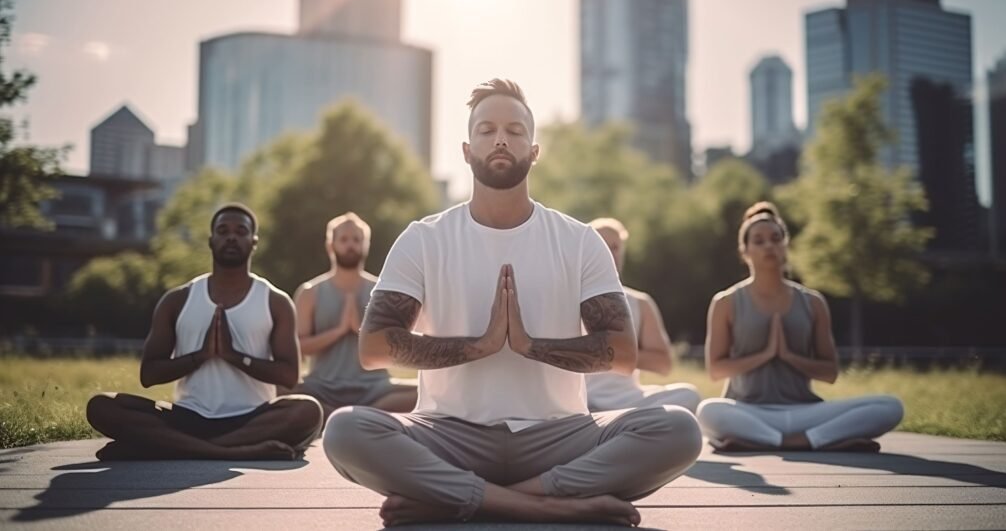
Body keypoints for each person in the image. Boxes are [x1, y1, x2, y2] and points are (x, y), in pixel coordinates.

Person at [322, 78, 702, 527]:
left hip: (558, 435)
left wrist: (530, 346)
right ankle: (545, 505)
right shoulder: (423, 239)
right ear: (467, 150)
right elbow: (374, 349)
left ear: (535, 150)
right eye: (486, 130)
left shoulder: (579, 241)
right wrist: (478, 346)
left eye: (515, 130)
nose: (501, 138)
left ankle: (458, 498)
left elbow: (623, 354)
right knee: (346, 430)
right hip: (449, 434)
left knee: (678, 429)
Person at [85, 204, 323, 461]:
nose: (231, 236)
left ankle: (164, 447)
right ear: (211, 240)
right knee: (102, 405)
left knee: (308, 411)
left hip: (252, 418)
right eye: (223, 230)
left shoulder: (275, 301)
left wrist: (234, 356)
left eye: (240, 231)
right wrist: (200, 356)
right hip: (188, 416)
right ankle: (228, 452)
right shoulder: (177, 299)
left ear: (253, 242)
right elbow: (149, 374)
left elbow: (289, 375)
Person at [696, 201, 904, 453]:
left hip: (805, 411)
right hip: (749, 411)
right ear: (745, 251)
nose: (769, 245)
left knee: (891, 406)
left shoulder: (813, 302)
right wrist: (765, 354)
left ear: (786, 245)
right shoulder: (725, 302)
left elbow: (830, 372)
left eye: (775, 238)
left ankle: (783, 440)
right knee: (707, 411)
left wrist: (789, 356)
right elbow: (716, 369)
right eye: (759, 241)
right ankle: (819, 440)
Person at [288, 212, 416, 415]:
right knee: (276, 390)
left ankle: (341, 415)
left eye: (357, 240)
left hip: (375, 388)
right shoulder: (310, 292)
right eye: (344, 239)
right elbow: (299, 348)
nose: (350, 245)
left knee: (424, 392)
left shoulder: (382, 291)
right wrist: (338, 331)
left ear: (366, 245)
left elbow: (393, 349)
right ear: (331, 245)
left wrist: (359, 329)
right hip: (322, 386)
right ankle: (358, 416)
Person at [586, 218, 700, 413]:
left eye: (615, 247)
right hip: (584, 400)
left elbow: (663, 364)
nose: (609, 253)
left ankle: (625, 424)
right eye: (602, 245)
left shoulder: (640, 302)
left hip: (629, 400)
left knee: (689, 395)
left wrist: (619, 352)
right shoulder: (566, 298)